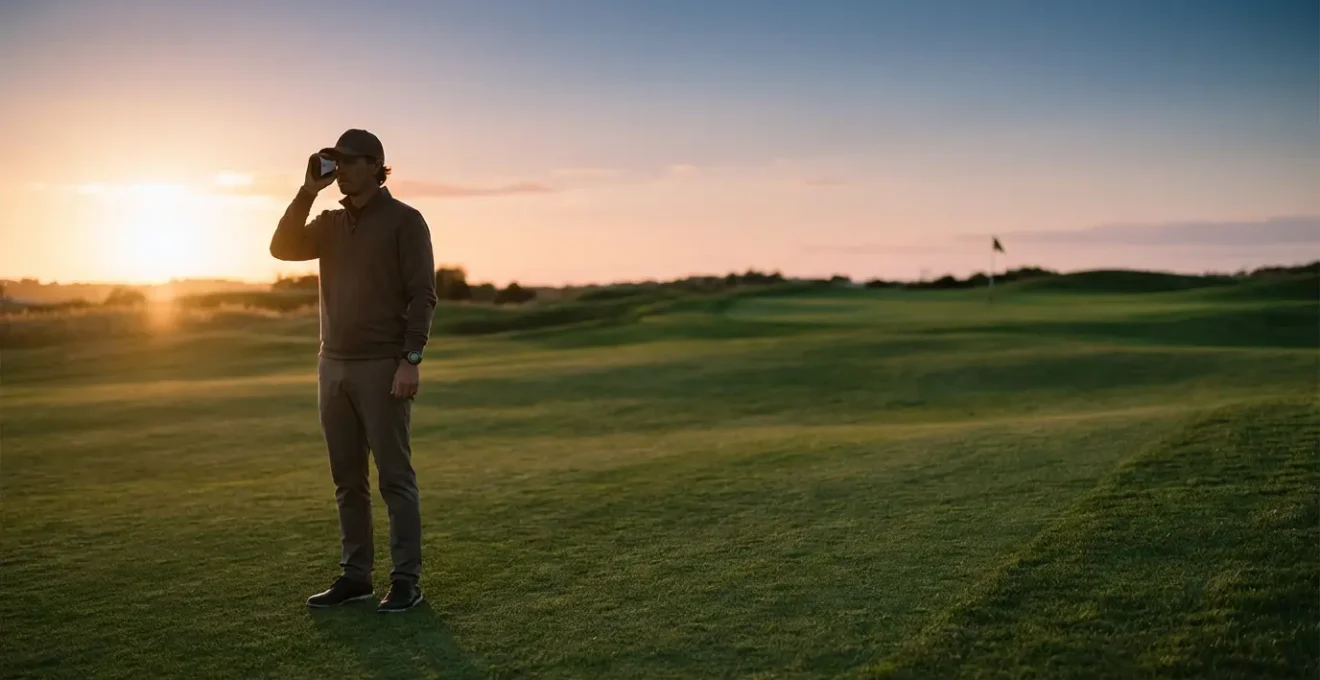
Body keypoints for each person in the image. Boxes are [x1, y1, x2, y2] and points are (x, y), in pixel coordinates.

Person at [270, 129, 437, 613]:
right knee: (347, 480)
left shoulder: (406, 221)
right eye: (334, 161)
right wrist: (307, 191)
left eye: (346, 161)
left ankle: (406, 581)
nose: (338, 169)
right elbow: (282, 248)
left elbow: (422, 294)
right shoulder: (329, 222)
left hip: (383, 365)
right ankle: (356, 576)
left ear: (374, 165)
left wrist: (411, 359)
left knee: (394, 479)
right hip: (333, 365)